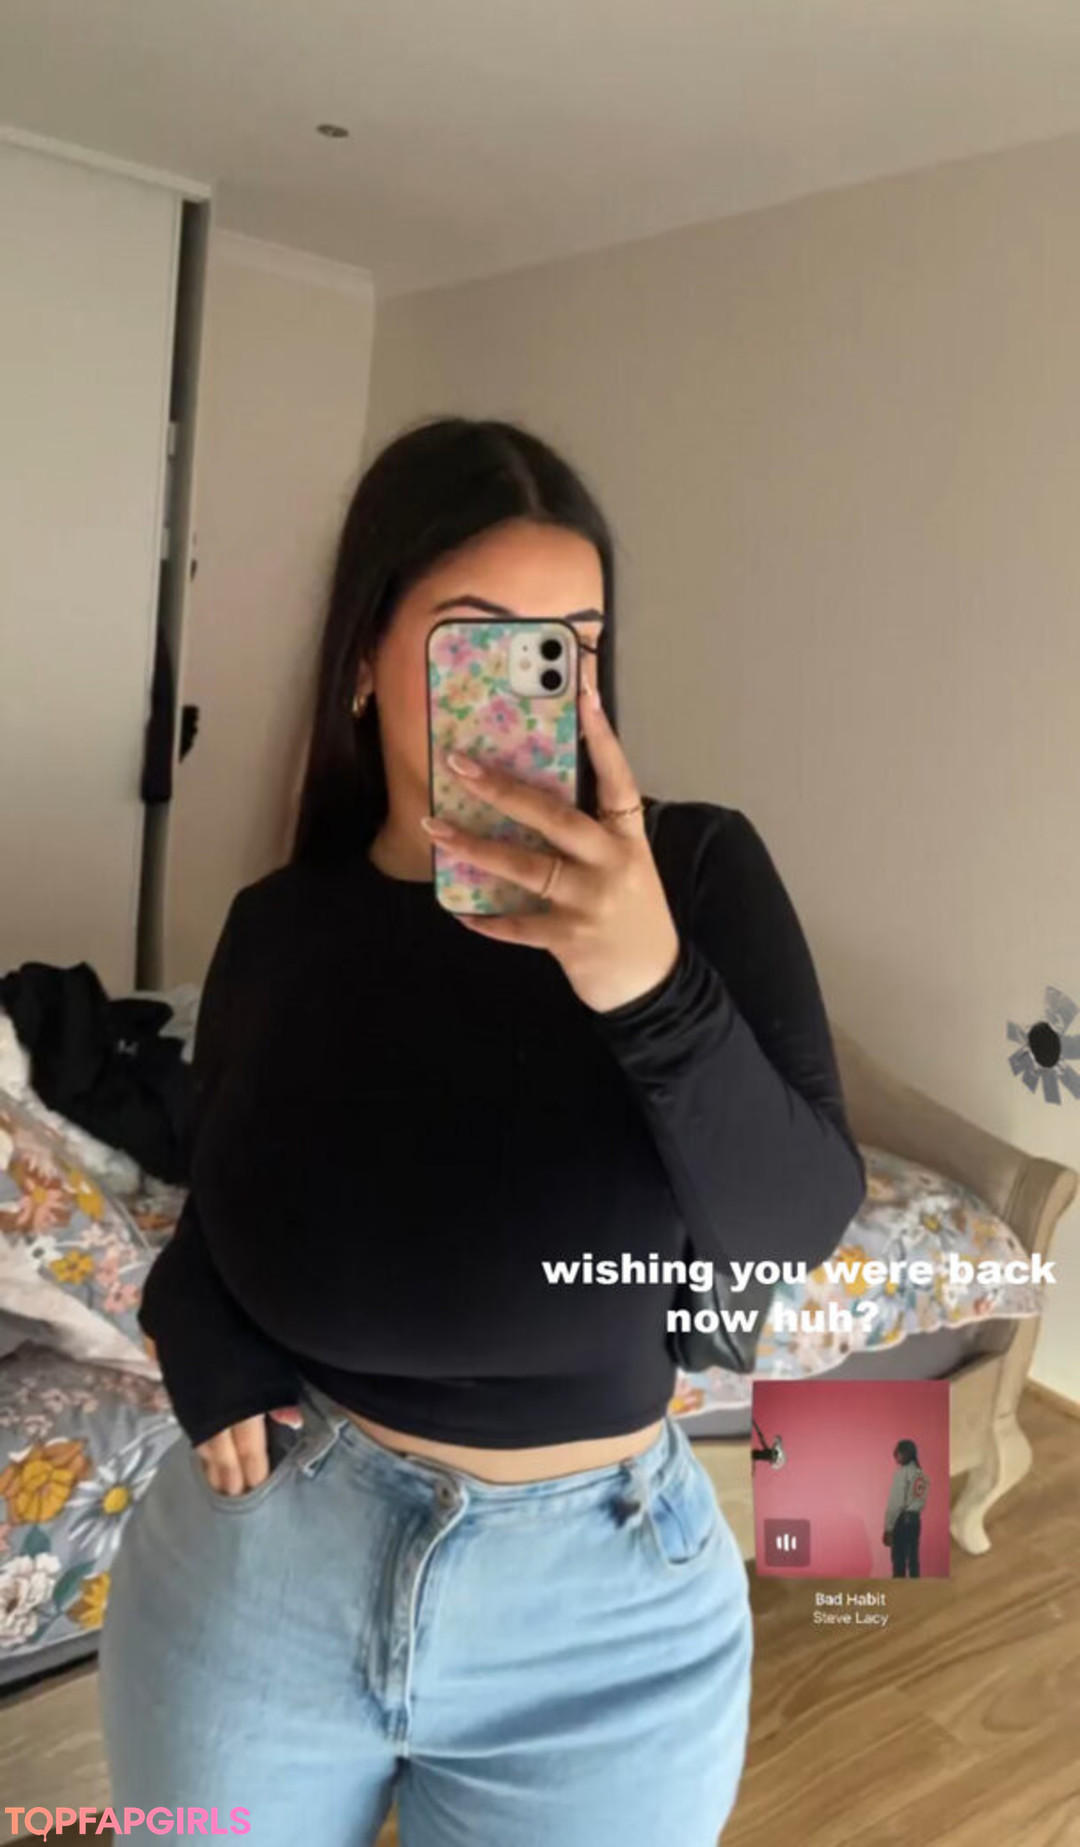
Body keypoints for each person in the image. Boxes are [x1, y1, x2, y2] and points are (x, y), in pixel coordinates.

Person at [98, 416, 868, 1847]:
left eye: (572, 641)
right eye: (480, 635)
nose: (534, 679)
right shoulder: (281, 922)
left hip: (605, 1620)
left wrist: (649, 982)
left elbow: (792, 1226)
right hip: (263, 1573)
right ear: (362, 659)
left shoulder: (696, 870)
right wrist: (194, 1318)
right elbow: (229, 1180)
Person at [884, 1438, 929, 1578]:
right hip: (915, 1521)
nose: (895, 1455)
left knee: (899, 1562)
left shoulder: (902, 1473)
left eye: (897, 1452)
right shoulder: (922, 1474)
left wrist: (888, 1528)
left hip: (901, 1522)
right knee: (914, 1560)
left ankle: (898, 1589)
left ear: (904, 1453)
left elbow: (895, 1503)